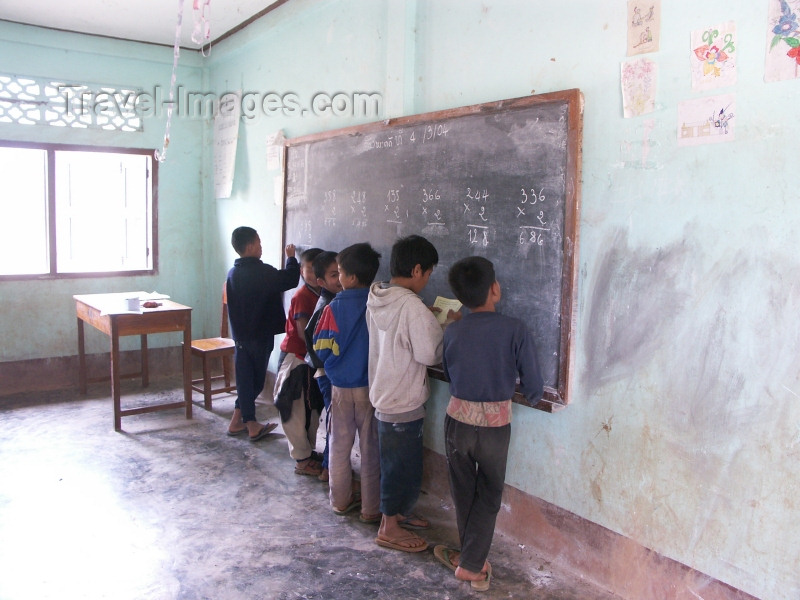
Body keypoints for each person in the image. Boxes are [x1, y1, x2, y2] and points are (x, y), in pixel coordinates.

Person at [432, 256, 543, 592]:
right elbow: (534, 387)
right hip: (495, 427)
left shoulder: (453, 331)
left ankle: (472, 560)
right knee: (490, 493)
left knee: (464, 491)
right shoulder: (515, 329)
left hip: (457, 423)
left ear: (459, 297)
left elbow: (449, 374)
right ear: (495, 289)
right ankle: (470, 564)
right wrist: (532, 396)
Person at [366, 234, 457, 553]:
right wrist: (447, 326)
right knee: (398, 466)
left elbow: (400, 334)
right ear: (417, 270)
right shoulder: (412, 308)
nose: (428, 279)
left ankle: (401, 513)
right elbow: (430, 354)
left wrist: (426, 317)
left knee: (402, 461)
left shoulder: (377, 295)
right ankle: (388, 527)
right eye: (429, 273)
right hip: (402, 399)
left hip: (384, 392)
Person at [313, 243, 381, 523]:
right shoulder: (378, 305)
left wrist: (334, 363)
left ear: (351, 278)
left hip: (340, 388)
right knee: (370, 449)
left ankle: (340, 502)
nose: (338, 277)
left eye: (339, 272)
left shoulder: (333, 307)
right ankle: (371, 509)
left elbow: (320, 348)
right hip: (370, 389)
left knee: (339, 447)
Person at [225, 226, 299, 441]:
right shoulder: (261, 271)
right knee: (255, 381)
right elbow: (289, 280)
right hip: (259, 336)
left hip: (240, 337)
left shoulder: (233, 273)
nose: (261, 246)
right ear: (249, 246)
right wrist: (291, 259)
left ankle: (237, 421)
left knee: (246, 379)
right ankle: (251, 425)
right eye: (258, 242)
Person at [273, 247, 325, 476]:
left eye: (318, 269)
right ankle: (302, 460)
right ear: (302, 270)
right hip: (296, 358)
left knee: (309, 408)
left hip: (310, 361)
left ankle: (307, 453)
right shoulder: (303, 296)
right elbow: (305, 334)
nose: (313, 274)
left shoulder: (322, 293)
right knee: (294, 411)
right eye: (309, 269)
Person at [303, 250, 342, 482]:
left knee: (335, 421)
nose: (340, 279)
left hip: (328, 372)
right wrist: (326, 366)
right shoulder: (326, 305)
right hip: (326, 374)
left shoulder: (335, 300)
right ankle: (328, 468)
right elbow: (311, 340)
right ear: (321, 282)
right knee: (334, 423)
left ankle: (330, 466)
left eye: (342, 272)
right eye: (333, 275)